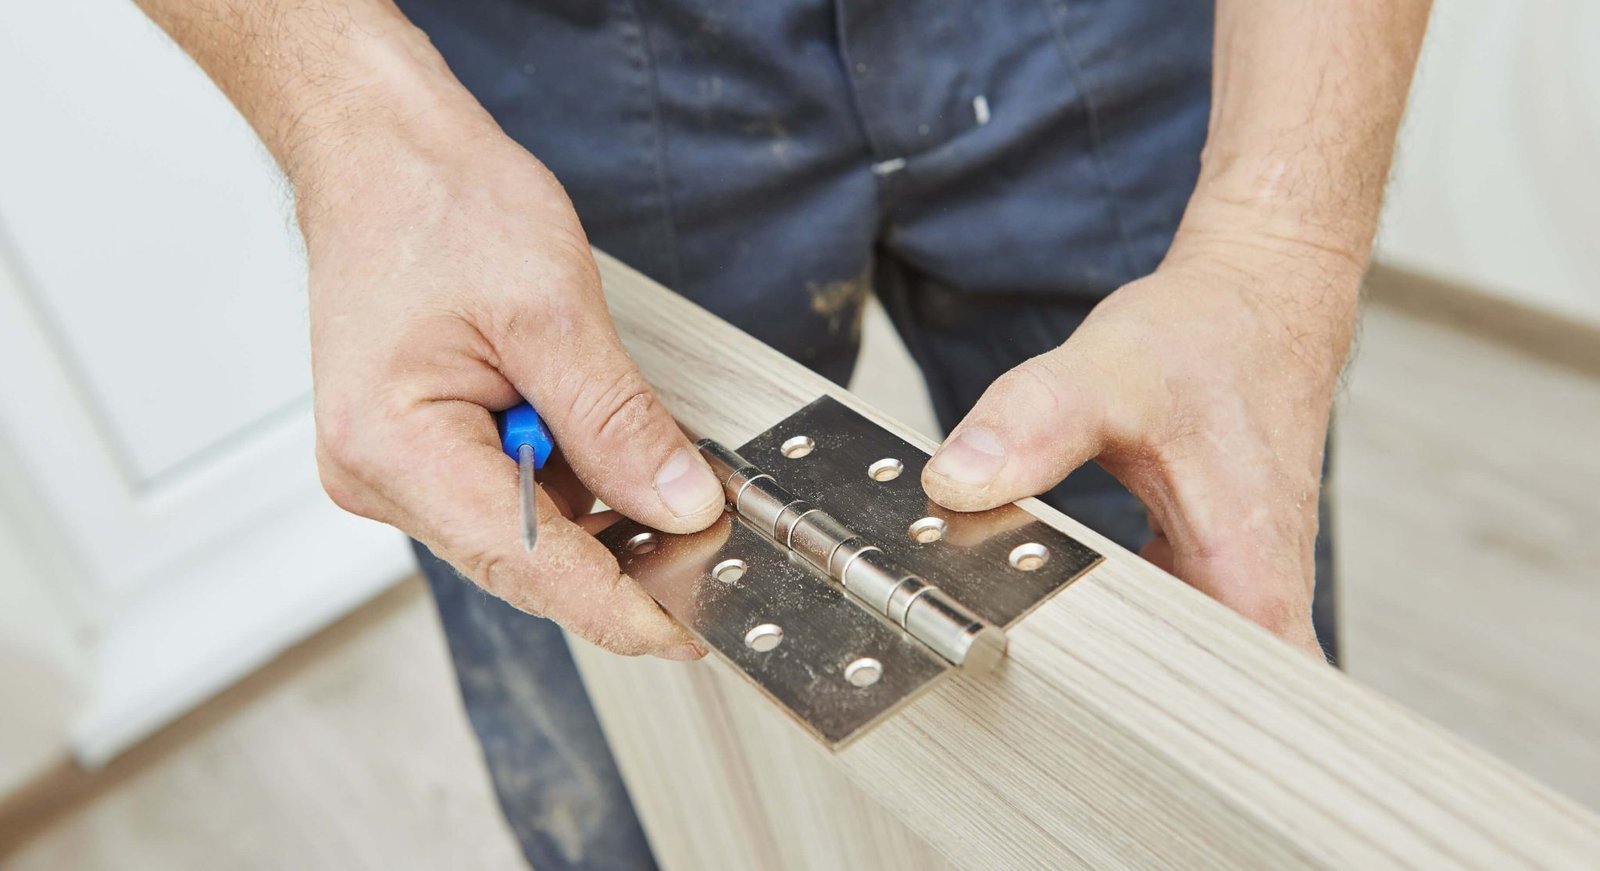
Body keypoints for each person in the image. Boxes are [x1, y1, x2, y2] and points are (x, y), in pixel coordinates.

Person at [134, 0, 1430, 866]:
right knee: (624, 726)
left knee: (1203, 698)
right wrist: (357, 120)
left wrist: (1275, 248)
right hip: (538, 46)